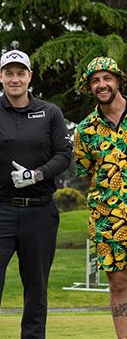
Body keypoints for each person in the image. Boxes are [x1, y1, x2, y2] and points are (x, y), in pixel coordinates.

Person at [0, 49, 72, 339]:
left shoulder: (50, 112)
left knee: (36, 290)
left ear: (29, 77)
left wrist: (36, 174)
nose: (15, 78)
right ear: (0, 76)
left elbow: (64, 154)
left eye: (20, 73)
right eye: (9, 73)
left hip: (40, 212)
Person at [74, 56, 127, 338]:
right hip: (108, 219)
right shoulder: (85, 131)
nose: (102, 84)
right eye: (95, 80)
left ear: (118, 80)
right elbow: (87, 174)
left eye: (107, 78)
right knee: (118, 285)